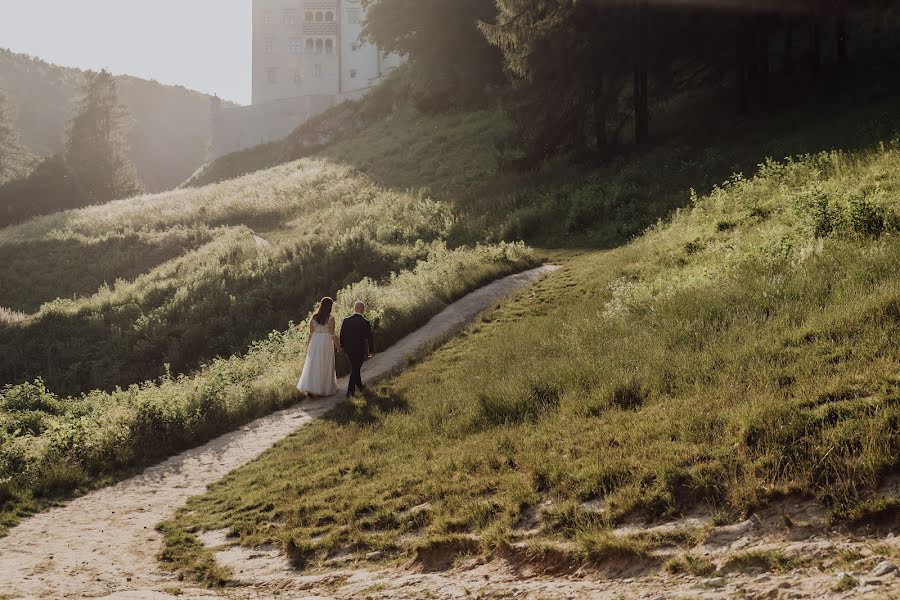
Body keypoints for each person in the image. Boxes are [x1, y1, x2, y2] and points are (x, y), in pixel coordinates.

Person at [297, 297, 340, 396]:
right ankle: (323, 389)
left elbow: (310, 333)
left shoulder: (314, 317)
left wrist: (308, 346)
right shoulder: (330, 318)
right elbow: (332, 334)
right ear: (330, 306)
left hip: (315, 342)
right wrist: (338, 346)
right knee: (325, 364)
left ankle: (311, 389)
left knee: (313, 365)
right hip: (326, 342)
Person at [339, 301, 375, 398]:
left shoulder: (346, 320)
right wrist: (371, 350)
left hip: (348, 349)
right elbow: (369, 337)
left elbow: (342, 335)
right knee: (355, 368)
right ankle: (350, 391)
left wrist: (342, 346)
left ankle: (360, 385)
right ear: (362, 309)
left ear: (354, 309)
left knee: (355, 367)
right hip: (359, 349)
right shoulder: (365, 322)